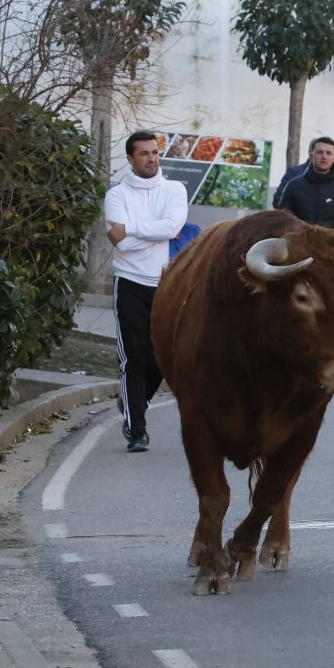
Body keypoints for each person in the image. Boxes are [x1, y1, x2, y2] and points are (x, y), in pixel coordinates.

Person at [103, 131, 189, 453]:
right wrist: (151, 234)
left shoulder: (174, 190)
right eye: (144, 154)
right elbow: (120, 244)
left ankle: (133, 401)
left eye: (155, 152)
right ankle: (136, 429)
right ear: (130, 159)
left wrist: (133, 229)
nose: (152, 158)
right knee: (133, 358)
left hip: (165, 287)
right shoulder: (117, 195)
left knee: (163, 359)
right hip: (129, 283)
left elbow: (172, 228)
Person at [275, 136, 334, 235]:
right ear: (311, 155)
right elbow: (282, 223)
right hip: (300, 247)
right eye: (319, 152)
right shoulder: (293, 186)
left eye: (328, 153)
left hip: (333, 248)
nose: (324, 156)